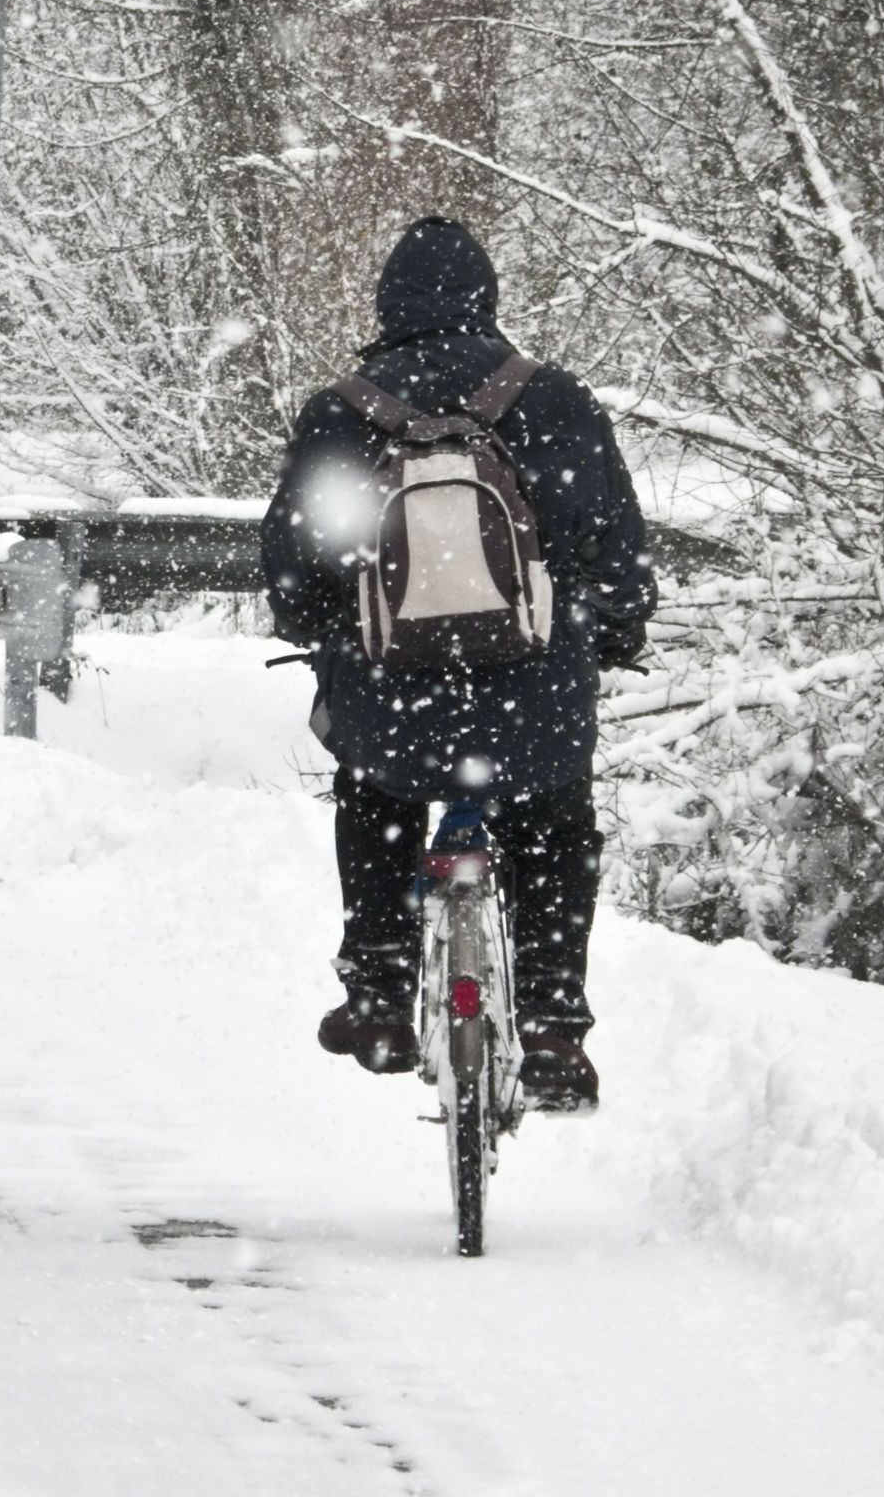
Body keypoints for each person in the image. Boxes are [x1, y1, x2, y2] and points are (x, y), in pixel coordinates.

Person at [259, 217, 653, 1113]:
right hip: (533, 693)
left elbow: (295, 558)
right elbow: (617, 546)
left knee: (374, 797)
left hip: (394, 697)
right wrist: (613, 632)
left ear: (388, 304)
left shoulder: (341, 411)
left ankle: (381, 997)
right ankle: (553, 1026)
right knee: (553, 822)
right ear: (488, 300)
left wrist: (328, 631)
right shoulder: (554, 400)